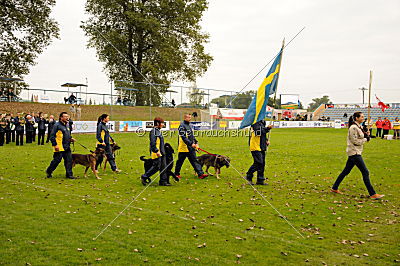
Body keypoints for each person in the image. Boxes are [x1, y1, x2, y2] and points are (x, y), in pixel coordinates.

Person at [331, 112, 384, 199]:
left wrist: (367, 134)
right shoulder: (353, 128)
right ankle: (372, 194)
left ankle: (334, 187)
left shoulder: (359, 127)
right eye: (362, 116)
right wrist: (365, 139)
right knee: (365, 172)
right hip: (354, 152)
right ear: (356, 118)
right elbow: (355, 141)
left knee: (346, 171)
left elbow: (362, 137)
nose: (363, 118)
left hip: (356, 152)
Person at [174, 114, 208, 179]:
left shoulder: (188, 125)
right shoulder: (181, 126)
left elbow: (191, 136)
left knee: (194, 160)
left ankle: (200, 174)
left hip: (190, 147)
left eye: (190, 117)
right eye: (189, 117)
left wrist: (196, 142)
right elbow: (183, 137)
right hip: (184, 148)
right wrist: (191, 144)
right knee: (180, 162)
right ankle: (176, 174)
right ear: (185, 118)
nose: (190, 118)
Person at [141, 117, 170, 186]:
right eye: (162, 123)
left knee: (163, 167)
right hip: (157, 153)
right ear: (157, 123)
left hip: (162, 152)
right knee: (156, 167)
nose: (163, 124)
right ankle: (144, 176)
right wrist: (156, 151)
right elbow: (153, 143)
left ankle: (163, 182)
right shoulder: (153, 131)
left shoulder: (158, 131)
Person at [46, 112, 76, 179]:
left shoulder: (67, 125)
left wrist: (70, 138)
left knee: (69, 160)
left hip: (67, 146)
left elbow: (67, 134)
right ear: (61, 118)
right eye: (65, 116)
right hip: (59, 146)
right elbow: (52, 136)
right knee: (57, 160)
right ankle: (49, 171)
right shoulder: (57, 125)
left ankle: (69, 175)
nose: (67, 118)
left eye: (67, 116)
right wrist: (55, 145)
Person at [246, 120, 272, 185]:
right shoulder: (254, 122)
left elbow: (262, 134)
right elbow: (258, 132)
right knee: (259, 162)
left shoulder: (262, 122)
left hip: (262, 145)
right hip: (255, 146)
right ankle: (249, 175)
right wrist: (267, 128)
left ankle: (260, 180)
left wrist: (266, 140)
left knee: (262, 163)